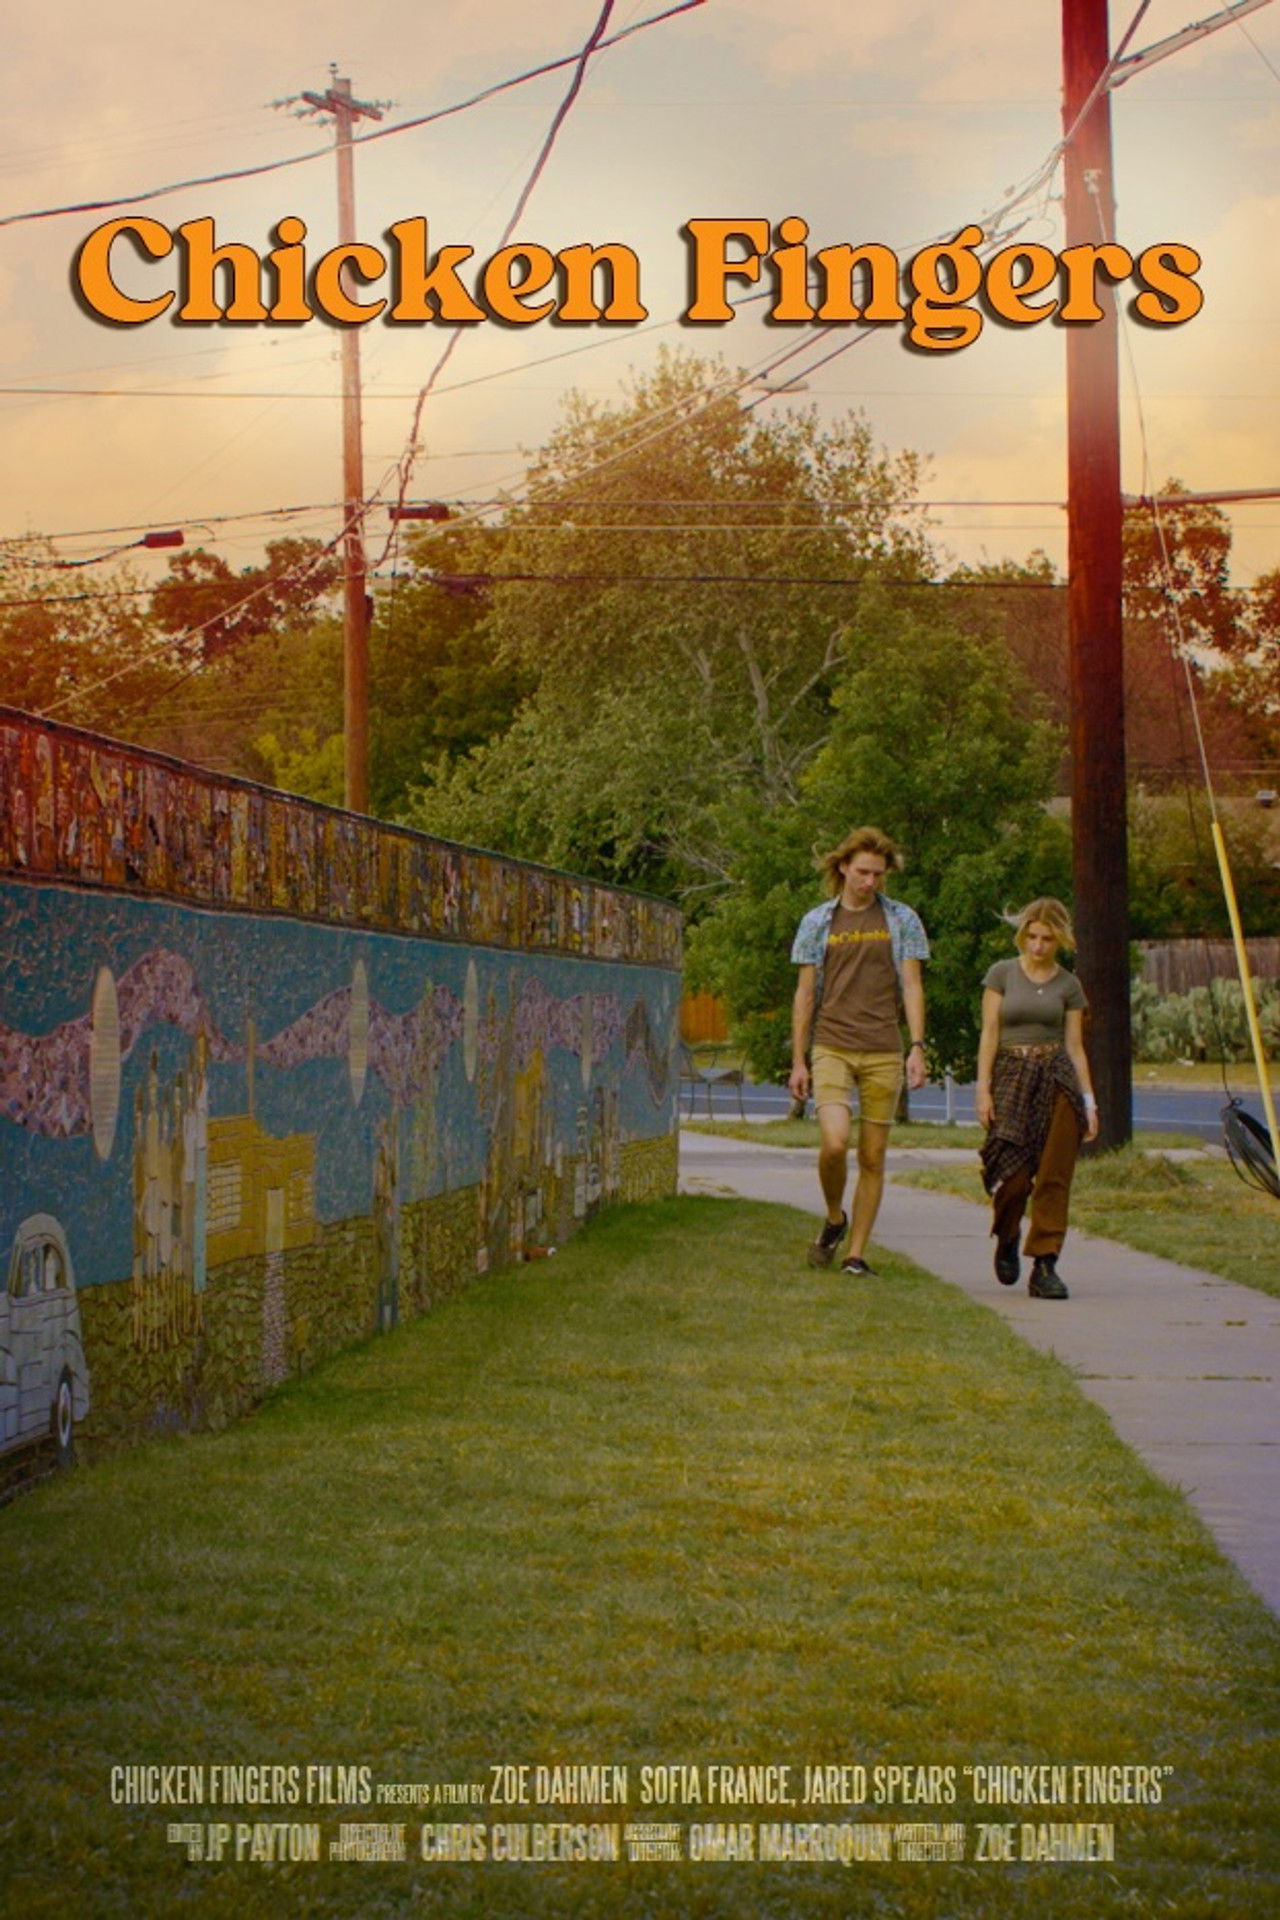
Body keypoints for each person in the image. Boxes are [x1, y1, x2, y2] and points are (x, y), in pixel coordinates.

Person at [788, 826, 929, 1276]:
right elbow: (805, 993)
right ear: (844, 867)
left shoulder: (900, 919)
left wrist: (918, 1047)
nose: (870, 881)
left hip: (883, 1048)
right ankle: (835, 1218)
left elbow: (911, 984)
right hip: (832, 1044)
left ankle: (856, 1254)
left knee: (872, 1156)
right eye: (863, 872)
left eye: (878, 874)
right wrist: (798, 1059)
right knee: (834, 1142)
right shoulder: (817, 922)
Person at [975, 898, 1098, 1300]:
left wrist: (1089, 1102)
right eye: (1032, 937)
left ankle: (1045, 1263)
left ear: (1059, 940)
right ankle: (1007, 1235)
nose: (1038, 945)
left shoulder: (1068, 985)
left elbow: (1076, 1047)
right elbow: (989, 1034)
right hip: (1012, 1075)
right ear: (1023, 935)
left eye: (1047, 938)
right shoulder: (1002, 974)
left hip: (1057, 1078)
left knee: (1054, 1174)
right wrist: (982, 1090)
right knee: (1012, 1176)